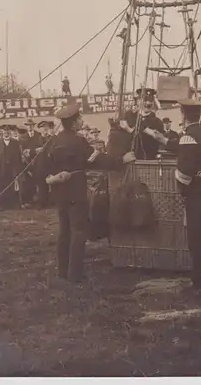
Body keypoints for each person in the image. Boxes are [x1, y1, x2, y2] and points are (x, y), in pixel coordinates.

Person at [46, 103, 135, 284]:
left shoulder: (54, 140)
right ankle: (76, 274)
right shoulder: (79, 141)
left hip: (59, 192)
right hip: (76, 191)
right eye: (79, 118)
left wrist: (52, 179)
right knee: (79, 231)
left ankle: (62, 272)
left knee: (64, 231)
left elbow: (44, 164)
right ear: (73, 122)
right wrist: (121, 160)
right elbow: (97, 159)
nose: (82, 120)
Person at [147, 100, 201, 290]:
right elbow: (184, 146)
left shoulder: (187, 137)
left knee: (196, 238)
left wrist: (179, 182)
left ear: (182, 114)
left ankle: (200, 280)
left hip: (197, 193)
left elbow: (185, 170)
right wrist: (163, 139)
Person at [120, 87, 164, 160]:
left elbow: (155, 141)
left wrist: (130, 130)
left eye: (150, 100)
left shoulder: (157, 122)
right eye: (145, 100)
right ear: (138, 101)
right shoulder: (129, 116)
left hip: (148, 161)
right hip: (129, 160)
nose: (148, 103)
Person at [0, 124, 22, 208]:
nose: (6, 133)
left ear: (10, 133)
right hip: (1, 169)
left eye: (8, 131)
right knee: (1, 186)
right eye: (5, 131)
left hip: (12, 169)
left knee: (11, 186)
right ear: (2, 132)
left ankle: (11, 204)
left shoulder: (15, 142)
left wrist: (18, 169)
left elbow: (19, 157)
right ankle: (3, 204)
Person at [21, 118, 42, 206]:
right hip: (27, 162)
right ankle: (29, 201)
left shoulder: (39, 135)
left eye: (31, 125)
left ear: (33, 126)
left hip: (38, 161)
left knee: (39, 181)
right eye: (28, 125)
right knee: (29, 182)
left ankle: (40, 201)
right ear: (26, 126)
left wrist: (31, 151)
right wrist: (31, 151)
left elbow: (40, 148)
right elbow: (23, 151)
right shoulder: (23, 137)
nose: (30, 127)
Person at [35, 121, 53, 208]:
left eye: (46, 128)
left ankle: (52, 201)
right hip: (40, 165)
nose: (45, 129)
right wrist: (36, 150)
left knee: (52, 183)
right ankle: (42, 202)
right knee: (42, 185)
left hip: (50, 164)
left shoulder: (52, 138)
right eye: (43, 128)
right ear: (40, 129)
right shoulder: (37, 138)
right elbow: (31, 151)